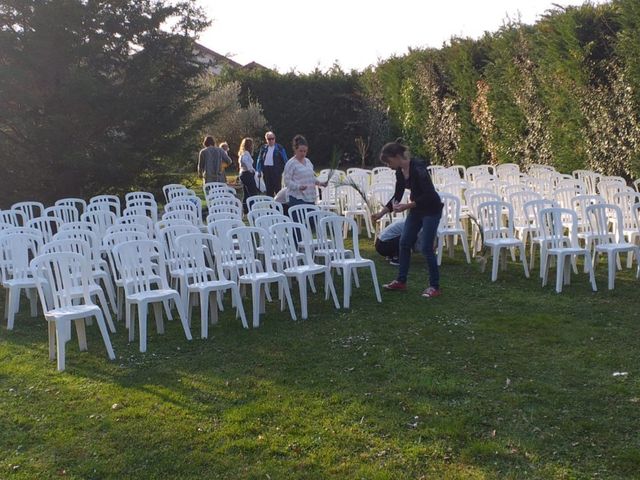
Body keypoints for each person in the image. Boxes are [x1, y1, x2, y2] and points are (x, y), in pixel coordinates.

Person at [371, 140, 443, 298]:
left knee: (426, 247)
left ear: (397, 157)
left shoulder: (418, 168)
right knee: (404, 243)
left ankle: (434, 286)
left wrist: (407, 206)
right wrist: (382, 213)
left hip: (431, 209)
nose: (389, 166)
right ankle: (401, 281)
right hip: (417, 210)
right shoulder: (399, 172)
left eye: (389, 162)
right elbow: (397, 196)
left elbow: (429, 195)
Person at [283, 134, 327, 211]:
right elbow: (287, 181)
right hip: (297, 199)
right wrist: (298, 187)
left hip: (310, 198)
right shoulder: (291, 163)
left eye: (305, 151)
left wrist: (320, 183)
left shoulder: (308, 162)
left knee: (311, 222)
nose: (303, 153)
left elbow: (312, 178)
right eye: (300, 151)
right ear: (295, 149)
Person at [256, 131, 288, 197]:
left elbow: (285, 159)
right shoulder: (263, 148)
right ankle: (270, 205)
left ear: (275, 139)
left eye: (272, 138)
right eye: (269, 139)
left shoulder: (279, 148)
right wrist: (259, 171)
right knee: (269, 190)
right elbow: (259, 159)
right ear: (266, 140)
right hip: (266, 171)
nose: (271, 141)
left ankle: (279, 205)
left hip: (276, 171)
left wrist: (287, 169)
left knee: (278, 189)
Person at [237, 137, 259, 214]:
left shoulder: (242, 153)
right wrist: (251, 169)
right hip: (247, 174)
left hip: (243, 174)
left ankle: (246, 209)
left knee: (246, 193)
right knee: (253, 193)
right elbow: (246, 162)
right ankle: (252, 209)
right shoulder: (246, 153)